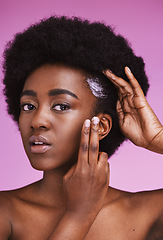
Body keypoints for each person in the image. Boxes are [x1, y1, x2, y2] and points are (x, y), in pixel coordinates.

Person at [0, 16, 163, 240]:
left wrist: (158, 138)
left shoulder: (149, 213)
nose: (37, 121)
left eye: (61, 106)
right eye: (28, 106)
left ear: (102, 125)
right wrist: (78, 216)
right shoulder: (5, 211)